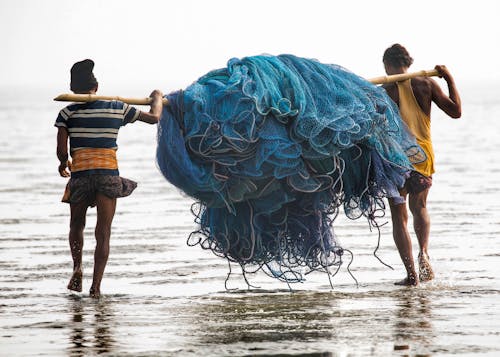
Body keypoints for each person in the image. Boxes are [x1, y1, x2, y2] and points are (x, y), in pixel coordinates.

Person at [55, 59, 164, 298]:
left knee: (76, 225)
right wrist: (156, 97)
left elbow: (62, 152)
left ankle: (77, 269)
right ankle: (96, 288)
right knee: (103, 232)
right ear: (96, 86)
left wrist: (64, 163)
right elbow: (154, 118)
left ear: (74, 90)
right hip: (107, 176)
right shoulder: (117, 107)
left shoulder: (67, 113)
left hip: (81, 176)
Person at [382, 44, 462, 286]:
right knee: (421, 208)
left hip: (395, 159)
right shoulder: (426, 84)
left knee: (399, 216)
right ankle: (424, 252)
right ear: (409, 63)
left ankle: (411, 275)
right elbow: (456, 111)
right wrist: (449, 78)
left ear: (387, 65)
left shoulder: (385, 90)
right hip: (422, 157)